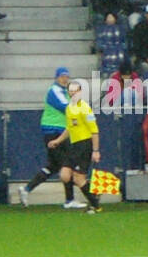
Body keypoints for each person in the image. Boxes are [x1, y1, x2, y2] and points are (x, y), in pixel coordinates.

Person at [19, 68, 73, 207]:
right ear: (56, 78)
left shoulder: (64, 92)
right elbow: (65, 107)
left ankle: (27, 189)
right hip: (54, 130)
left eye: (66, 77)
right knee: (67, 164)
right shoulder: (55, 90)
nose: (65, 79)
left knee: (53, 166)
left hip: (57, 130)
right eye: (62, 76)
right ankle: (70, 200)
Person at [48, 81, 103, 212]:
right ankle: (93, 194)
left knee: (79, 179)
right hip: (75, 146)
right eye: (70, 91)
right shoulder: (69, 108)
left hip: (84, 145)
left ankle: (96, 206)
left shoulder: (85, 108)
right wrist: (58, 140)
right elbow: (69, 128)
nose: (73, 93)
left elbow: (94, 130)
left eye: (75, 90)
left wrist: (95, 150)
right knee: (65, 175)